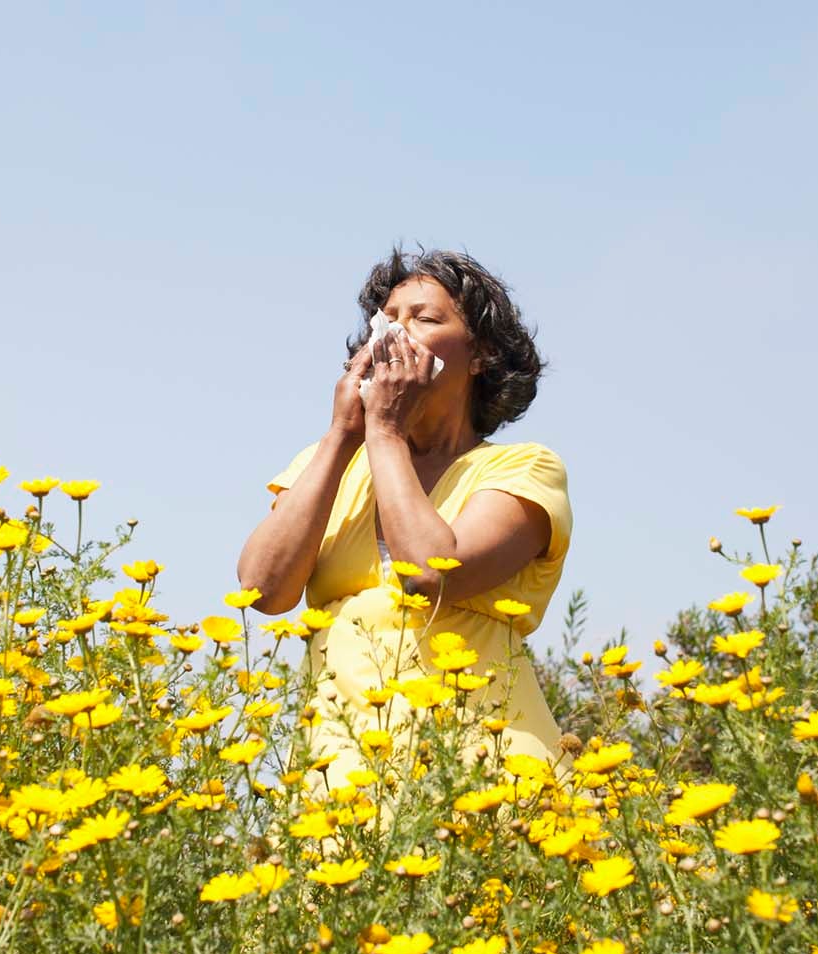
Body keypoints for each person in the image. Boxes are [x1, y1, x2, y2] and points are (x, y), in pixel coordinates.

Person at [236, 246, 572, 799]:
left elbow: (431, 575)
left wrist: (386, 432)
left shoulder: (523, 468)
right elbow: (261, 591)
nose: (397, 332)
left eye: (425, 318)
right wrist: (345, 435)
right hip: (340, 781)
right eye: (388, 318)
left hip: (481, 772)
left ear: (480, 355)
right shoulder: (330, 464)